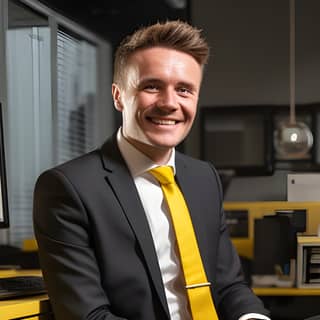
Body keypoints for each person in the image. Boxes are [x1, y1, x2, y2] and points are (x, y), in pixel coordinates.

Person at [33, 20, 271, 320]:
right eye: (152, 86)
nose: (170, 103)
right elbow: (89, 316)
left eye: (184, 90)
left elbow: (228, 286)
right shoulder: (67, 188)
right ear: (119, 96)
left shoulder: (204, 178)